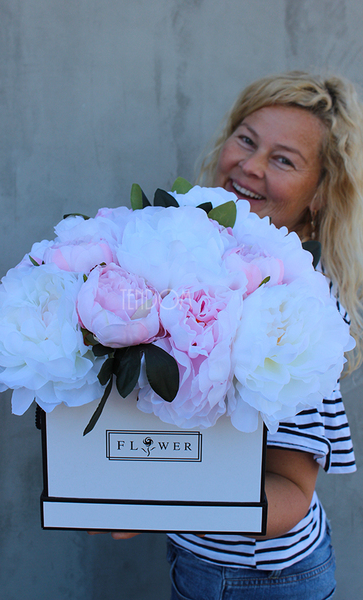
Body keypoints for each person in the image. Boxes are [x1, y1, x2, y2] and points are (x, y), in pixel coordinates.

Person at [97, 71, 363, 599]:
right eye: (246, 139)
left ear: (318, 194)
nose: (252, 165)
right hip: (201, 551)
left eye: (284, 159)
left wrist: (153, 496)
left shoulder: (299, 310)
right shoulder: (207, 260)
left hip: (261, 577)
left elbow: (291, 493)